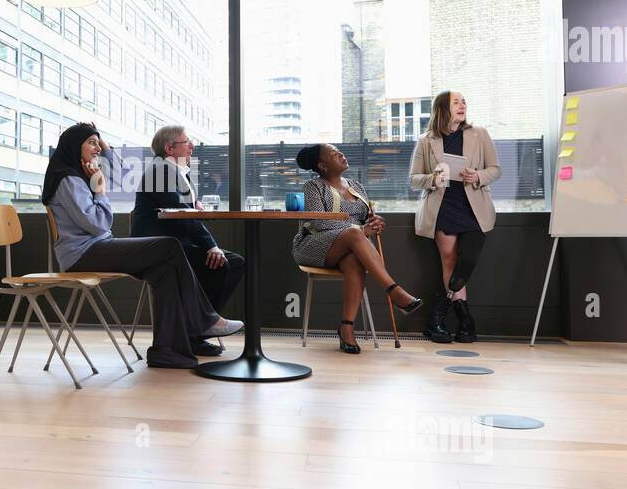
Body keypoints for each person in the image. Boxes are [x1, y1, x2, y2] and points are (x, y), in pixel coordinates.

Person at [42, 123, 243, 369]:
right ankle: (204, 321)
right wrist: (100, 191)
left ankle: (167, 352)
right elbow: (98, 223)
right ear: (75, 147)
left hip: (97, 246)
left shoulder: (84, 172)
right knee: (169, 247)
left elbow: (122, 173)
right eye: (91, 143)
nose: (96, 149)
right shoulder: (70, 180)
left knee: (165, 270)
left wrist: (103, 145)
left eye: (98, 143)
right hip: (82, 254)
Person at [291, 143, 422, 353]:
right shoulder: (313, 186)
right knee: (354, 234)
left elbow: (365, 219)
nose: (341, 155)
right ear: (322, 165)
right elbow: (318, 223)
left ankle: (347, 328)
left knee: (354, 260)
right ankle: (394, 291)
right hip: (313, 245)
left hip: (350, 245)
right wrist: (361, 229)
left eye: (339, 151)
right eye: (334, 154)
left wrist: (374, 222)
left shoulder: (356, 186)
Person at [408, 91, 500, 344]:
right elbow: (414, 178)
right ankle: (464, 322)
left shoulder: (479, 134)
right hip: (442, 207)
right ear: (442, 109)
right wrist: (432, 179)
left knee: (467, 259)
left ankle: (438, 316)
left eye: (463, 102)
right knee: (449, 262)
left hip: (473, 208)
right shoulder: (426, 140)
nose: (462, 106)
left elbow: (495, 169)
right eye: (455, 102)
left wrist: (478, 176)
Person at [131, 125, 246, 314]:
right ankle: (199, 325)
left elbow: (180, 206)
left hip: (174, 244)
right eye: (186, 142)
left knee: (232, 262)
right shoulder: (161, 171)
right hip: (159, 249)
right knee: (223, 264)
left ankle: (199, 325)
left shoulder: (172, 170)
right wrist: (211, 245)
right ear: (170, 149)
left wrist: (195, 204)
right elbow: (181, 213)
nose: (192, 146)